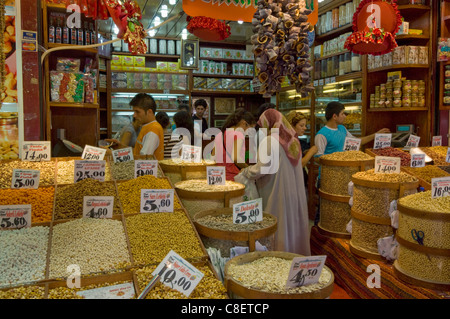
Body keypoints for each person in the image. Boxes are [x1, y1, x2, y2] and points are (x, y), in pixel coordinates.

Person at [236, 109, 310, 256]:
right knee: (291, 225)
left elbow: (260, 169)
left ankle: (278, 255)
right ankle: (293, 254)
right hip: (293, 192)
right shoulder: (293, 140)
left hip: (275, 192)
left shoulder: (271, 140)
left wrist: (245, 172)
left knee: (278, 224)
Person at [314, 101, 390, 157]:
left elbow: (357, 142)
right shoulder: (322, 134)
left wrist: (376, 135)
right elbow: (318, 158)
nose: (345, 116)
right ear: (334, 116)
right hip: (330, 174)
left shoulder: (342, 129)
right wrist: (335, 159)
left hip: (345, 172)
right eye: (342, 114)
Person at [106, 93, 164, 160]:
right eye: (134, 111)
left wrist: (113, 154)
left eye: (137, 112)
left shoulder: (153, 130)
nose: (134, 115)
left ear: (149, 112)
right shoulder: (147, 127)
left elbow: (143, 159)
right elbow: (138, 152)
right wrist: (121, 147)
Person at [215, 108, 256, 181]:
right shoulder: (238, 134)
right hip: (233, 177)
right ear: (244, 123)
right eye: (250, 128)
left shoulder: (220, 134)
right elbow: (236, 158)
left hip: (218, 177)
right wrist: (248, 168)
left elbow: (213, 158)